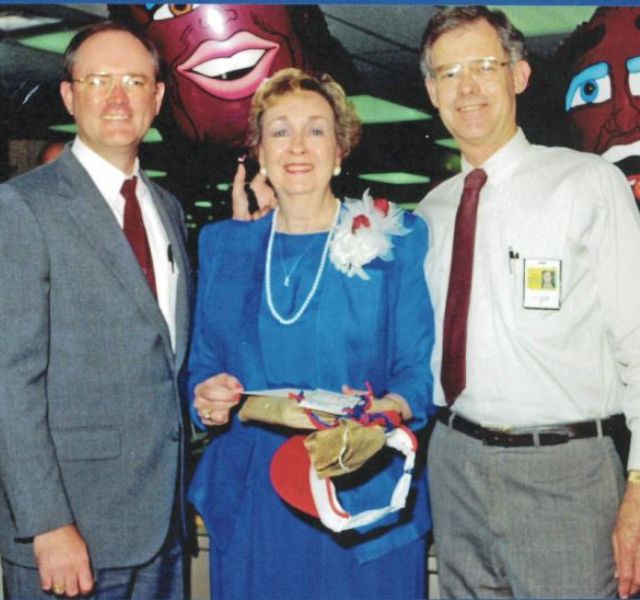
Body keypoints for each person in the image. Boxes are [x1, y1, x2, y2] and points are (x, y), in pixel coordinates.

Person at [415, 6, 640, 599]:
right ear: (432, 90)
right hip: (454, 463)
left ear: (518, 75)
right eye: (447, 73)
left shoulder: (590, 183)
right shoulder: (426, 216)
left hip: (565, 473)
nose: (466, 88)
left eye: (483, 67)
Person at [187, 68, 434, 600]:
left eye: (316, 130)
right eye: (280, 131)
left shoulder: (397, 241)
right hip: (256, 497)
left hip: (359, 490)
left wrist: (379, 417)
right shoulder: (223, 245)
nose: (297, 146)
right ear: (258, 150)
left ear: (341, 149)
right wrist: (205, 399)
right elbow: (202, 365)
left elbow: (417, 375)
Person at [0, 22, 191, 599]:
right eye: (98, 80)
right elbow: (10, 380)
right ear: (69, 95)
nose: (116, 97)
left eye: (134, 80)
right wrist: (47, 523)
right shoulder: (23, 206)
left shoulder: (168, 209)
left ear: (156, 98)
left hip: (161, 530)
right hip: (70, 536)